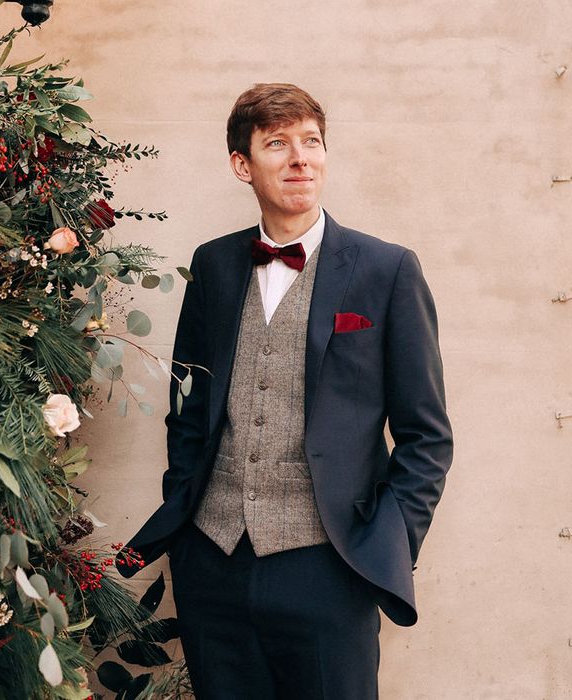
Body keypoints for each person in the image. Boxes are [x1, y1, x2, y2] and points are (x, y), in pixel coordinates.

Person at [116, 83, 453, 699]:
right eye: (278, 144)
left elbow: (426, 435)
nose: (301, 159)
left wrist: (385, 545)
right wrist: (188, 522)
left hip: (328, 565)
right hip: (212, 563)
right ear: (242, 164)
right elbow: (189, 409)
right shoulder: (214, 265)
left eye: (312, 142)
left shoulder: (387, 269)